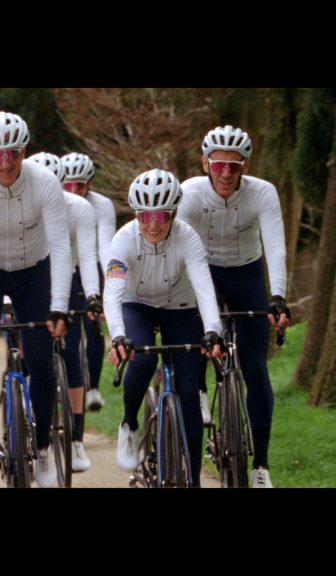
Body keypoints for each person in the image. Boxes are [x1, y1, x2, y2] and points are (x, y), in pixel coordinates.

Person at [0, 111, 72, 488]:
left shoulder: (46, 183)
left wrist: (59, 305)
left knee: (41, 357)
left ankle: (43, 447)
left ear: (25, 151)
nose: (5, 163)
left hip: (33, 271)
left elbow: (61, 246)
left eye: (13, 154)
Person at [176, 125, 290, 488]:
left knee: (255, 368)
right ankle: (199, 392)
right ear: (205, 164)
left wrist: (278, 297)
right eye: (219, 165)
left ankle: (261, 466)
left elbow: (275, 246)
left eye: (235, 166)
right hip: (203, 271)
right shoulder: (189, 193)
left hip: (246, 273)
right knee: (198, 338)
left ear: (246, 166)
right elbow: (176, 245)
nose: (226, 173)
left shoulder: (263, 192)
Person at [105, 169, 224, 487]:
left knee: (188, 392)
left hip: (180, 308)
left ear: (173, 214)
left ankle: (194, 479)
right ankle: (129, 424)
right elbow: (112, 294)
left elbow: (204, 288)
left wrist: (212, 329)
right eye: (145, 216)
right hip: (136, 305)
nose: (153, 224)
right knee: (142, 360)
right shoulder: (123, 239)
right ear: (136, 215)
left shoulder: (188, 237)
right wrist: (118, 336)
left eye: (161, 216)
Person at [29, 152, 101, 473]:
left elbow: (87, 256)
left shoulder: (77, 209)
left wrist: (94, 295)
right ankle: (25, 415)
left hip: (65, 279)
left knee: (71, 352)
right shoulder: (19, 206)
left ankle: (76, 438)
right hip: (29, 281)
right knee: (29, 352)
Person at [59, 152, 116, 412]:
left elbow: (106, 249)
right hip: (65, 267)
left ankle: (92, 387)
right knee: (69, 332)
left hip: (91, 264)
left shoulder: (102, 205)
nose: (74, 191)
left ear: (89, 184)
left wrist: (108, 288)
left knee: (93, 324)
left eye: (79, 185)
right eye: (68, 185)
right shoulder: (56, 202)